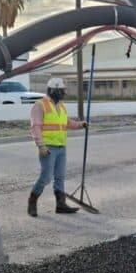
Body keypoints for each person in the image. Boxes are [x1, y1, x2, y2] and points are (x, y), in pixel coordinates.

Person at [27, 77, 87, 217]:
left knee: (60, 177)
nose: (63, 93)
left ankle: (61, 205)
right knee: (46, 177)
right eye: (61, 90)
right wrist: (41, 145)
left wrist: (80, 124)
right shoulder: (40, 105)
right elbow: (35, 127)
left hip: (61, 147)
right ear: (53, 90)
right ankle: (32, 201)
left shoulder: (61, 106)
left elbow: (65, 123)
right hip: (48, 147)